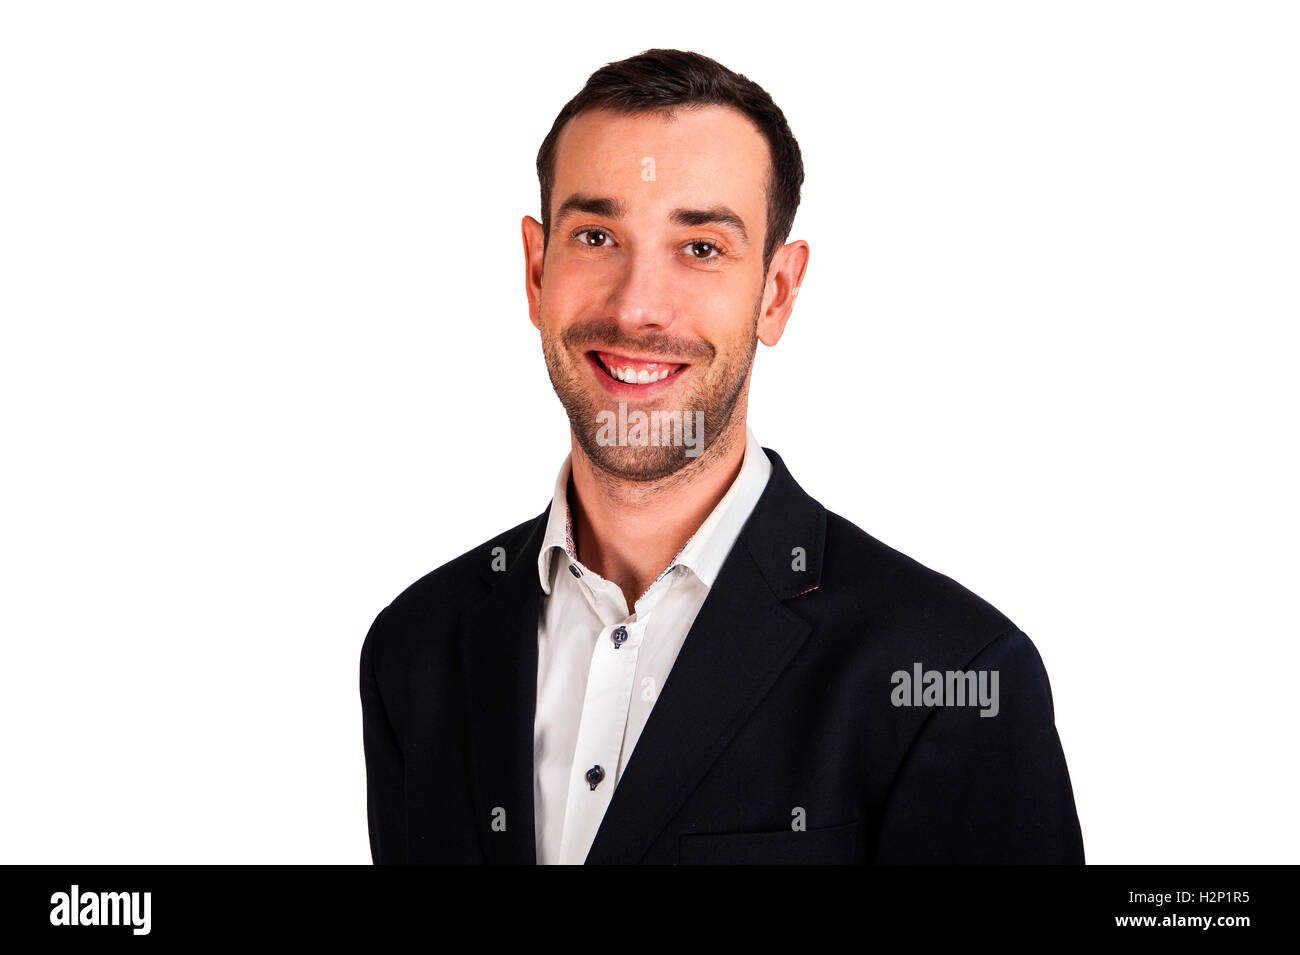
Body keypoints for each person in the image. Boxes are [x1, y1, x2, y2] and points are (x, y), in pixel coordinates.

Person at [359, 48, 1084, 864]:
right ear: (536, 271)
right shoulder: (415, 648)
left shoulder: (951, 675)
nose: (637, 307)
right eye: (596, 236)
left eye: (700, 247)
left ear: (776, 292)